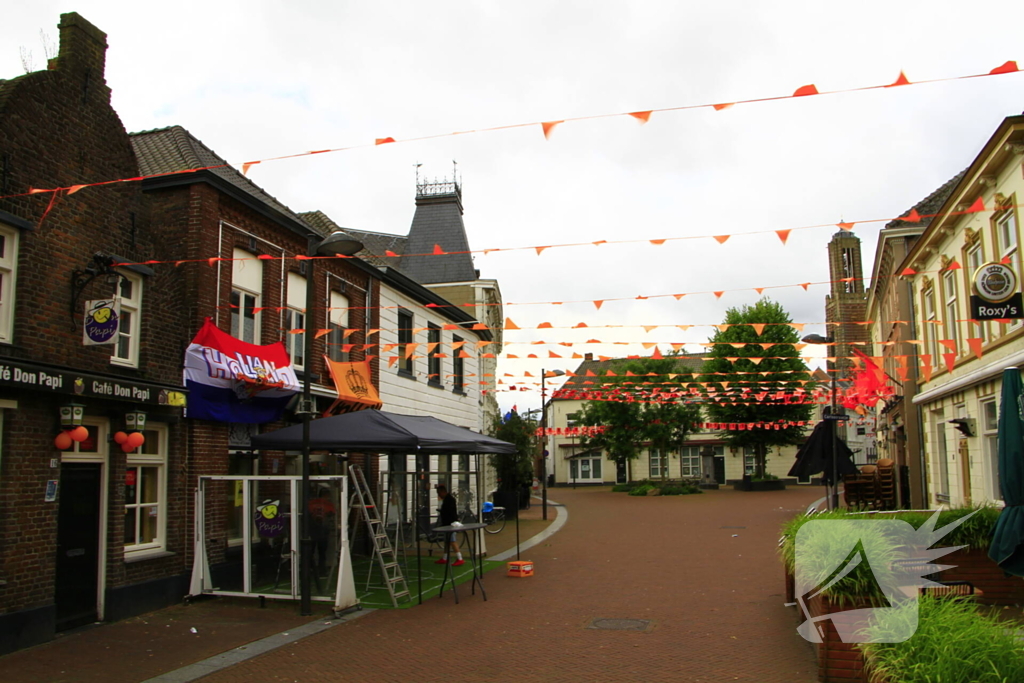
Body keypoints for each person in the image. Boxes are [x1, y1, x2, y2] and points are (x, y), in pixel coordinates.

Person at [308, 487, 336, 577]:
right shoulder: (328, 504)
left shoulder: (311, 503)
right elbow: (331, 516)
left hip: (312, 530)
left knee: (311, 551)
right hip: (322, 530)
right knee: (322, 552)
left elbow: (307, 514)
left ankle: (309, 569)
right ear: (326, 495)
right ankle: (321, 570)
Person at [434, 484, 464, 567]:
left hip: (450, 524)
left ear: (442, 492)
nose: (439, 495)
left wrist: (442, 512)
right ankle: (445, 557)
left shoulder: (449, 500)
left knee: (452, 541)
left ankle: (460, 558)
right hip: (448, 523)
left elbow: (449, 512)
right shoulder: (448, 499)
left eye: (439, 493)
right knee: (447, 541)